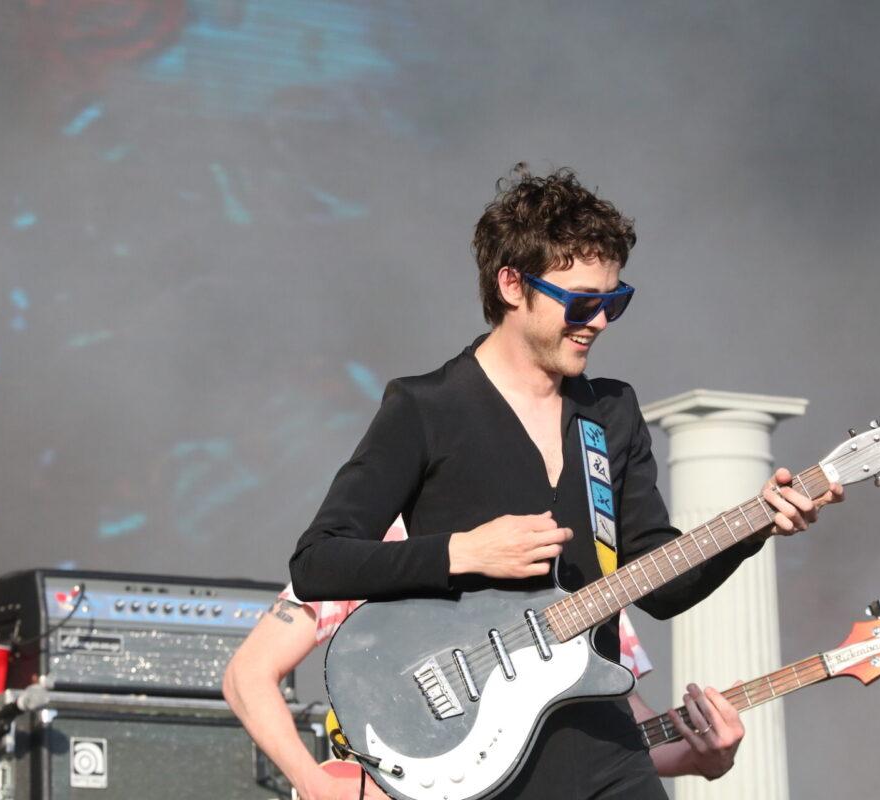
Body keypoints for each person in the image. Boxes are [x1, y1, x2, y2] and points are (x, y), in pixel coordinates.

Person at [287, 165, 842, 799]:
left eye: (614, 300)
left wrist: (755, 528)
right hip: (476, 753)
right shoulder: (426, 407)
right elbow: (318, 562)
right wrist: (463, 552)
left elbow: (661, 585)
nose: (599, 320)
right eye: (581, 301)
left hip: (605, 744)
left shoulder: (611, 412)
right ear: (512, 284)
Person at [224, 520, 745, 800]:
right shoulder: (376, 548)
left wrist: (701, 759)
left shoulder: (570, 571)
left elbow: (616, 737)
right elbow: (248, 675)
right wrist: (315, 784)